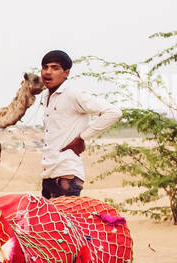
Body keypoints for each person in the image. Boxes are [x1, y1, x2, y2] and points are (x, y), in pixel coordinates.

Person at [37, 50, 121, 198]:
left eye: (55, 68)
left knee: (66, 220)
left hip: (66, 172)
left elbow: (113, 112)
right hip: (48, 172)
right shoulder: (45, 96)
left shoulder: (74, 94)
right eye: (45, 67)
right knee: (48, 220)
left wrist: (82, 138)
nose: (48, 72)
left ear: (66, 73)